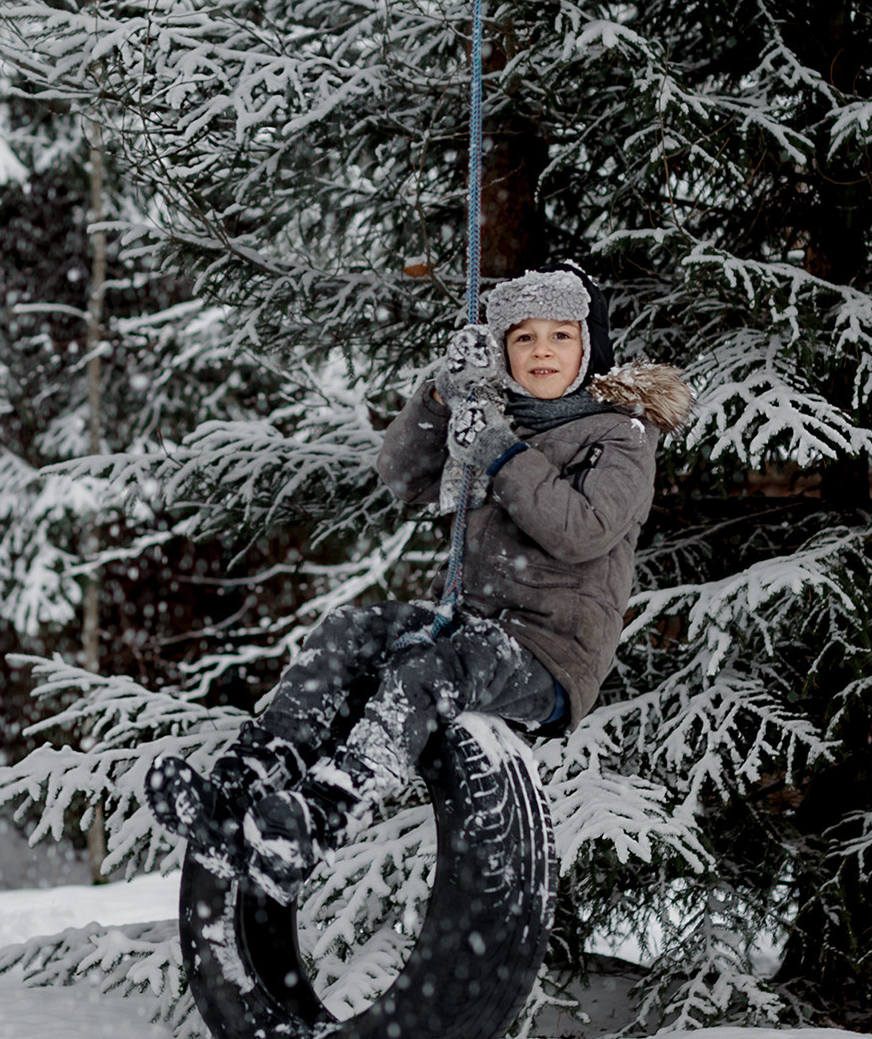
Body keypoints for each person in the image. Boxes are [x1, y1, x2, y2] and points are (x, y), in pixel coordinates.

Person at [144, 263, 693, 902]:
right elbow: (401, 474)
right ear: (501, 349)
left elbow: (581, 529)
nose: (541, 351)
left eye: (560, 336)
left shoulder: (621, 435)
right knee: (351, 632)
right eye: (523, 337)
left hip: (550, 653)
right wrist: (441, 396)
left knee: (430, 669)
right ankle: (244, 785)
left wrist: (500, 454)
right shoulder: (489, 418)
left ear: (589, 346)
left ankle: (324, 815)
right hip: (468, 626)